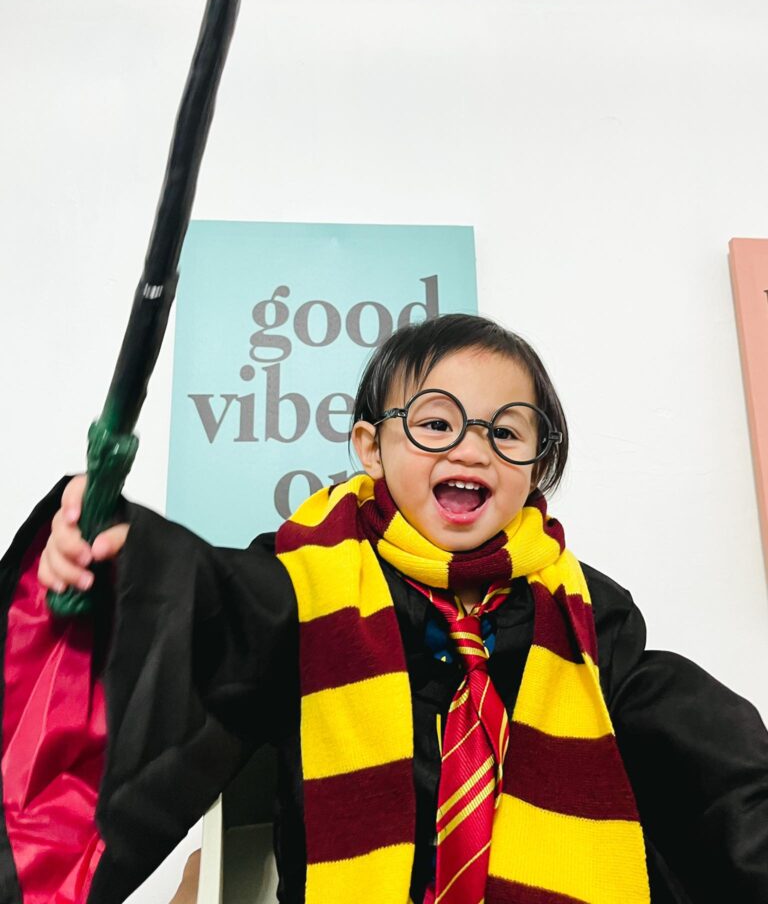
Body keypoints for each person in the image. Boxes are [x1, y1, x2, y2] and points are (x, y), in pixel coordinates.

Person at [5, 314, 767, 904]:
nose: (471, 448)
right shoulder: (310, 582)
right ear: (372, 448)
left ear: (536, 466)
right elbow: (213, 609)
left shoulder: (585, 613)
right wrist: (116, 556)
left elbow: (699, 754)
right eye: (436, 423)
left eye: (505, 431)